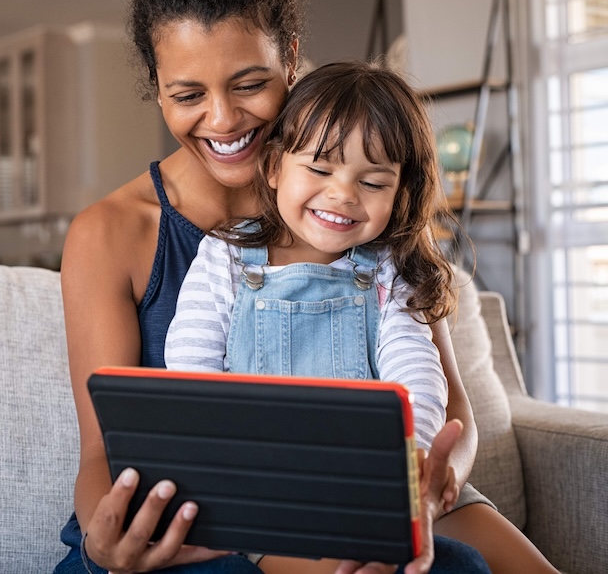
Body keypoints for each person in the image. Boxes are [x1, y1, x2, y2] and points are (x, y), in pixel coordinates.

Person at [54, 0, 503, 572]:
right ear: (157, 89)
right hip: (213, 510)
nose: (224, 118)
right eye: (187, 94)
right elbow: (100, 455)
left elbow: (448, 405)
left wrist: (427, 485)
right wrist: (105, 537)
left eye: (250, 83)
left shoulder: (357, 211)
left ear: (289, 58)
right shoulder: (112, 232)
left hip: (385, 483)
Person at [163, 61, 558, 574]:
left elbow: (417, 374)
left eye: (373, 181)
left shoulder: (391, 272)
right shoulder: (224, 258)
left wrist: (411, 476)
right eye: (321, 170)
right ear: (276, 166)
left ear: (398, 194)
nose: (344, 194)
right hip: (277, 499)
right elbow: (190, 379)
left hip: (393, 483)